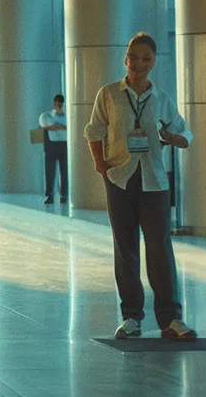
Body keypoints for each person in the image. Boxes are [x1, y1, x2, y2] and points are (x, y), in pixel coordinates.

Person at [84, 33, 196, 341]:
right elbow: (93, 130)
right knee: (126, 247)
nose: (139, 64)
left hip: (154, 180)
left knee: (160, 248)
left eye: (147, 59)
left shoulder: (160, 98)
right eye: (134, 57)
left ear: (153, 62)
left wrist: (173, 138)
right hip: (119, 177)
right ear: (126, 59)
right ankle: (131, 317)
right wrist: (101, 166)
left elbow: (184, 134)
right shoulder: (108, 94)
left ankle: (170, 319)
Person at [40, 94, 69, 204]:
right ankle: (49, 195)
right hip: (51, 146)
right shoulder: (48, 116)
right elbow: (45, 126)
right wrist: (57, 127)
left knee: (64, 171)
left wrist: (60, 127)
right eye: (57, 103)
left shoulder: (67, 116)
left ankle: (64, 194)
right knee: (50, 172)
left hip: (64, 145)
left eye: (60, 103)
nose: (59, 105)